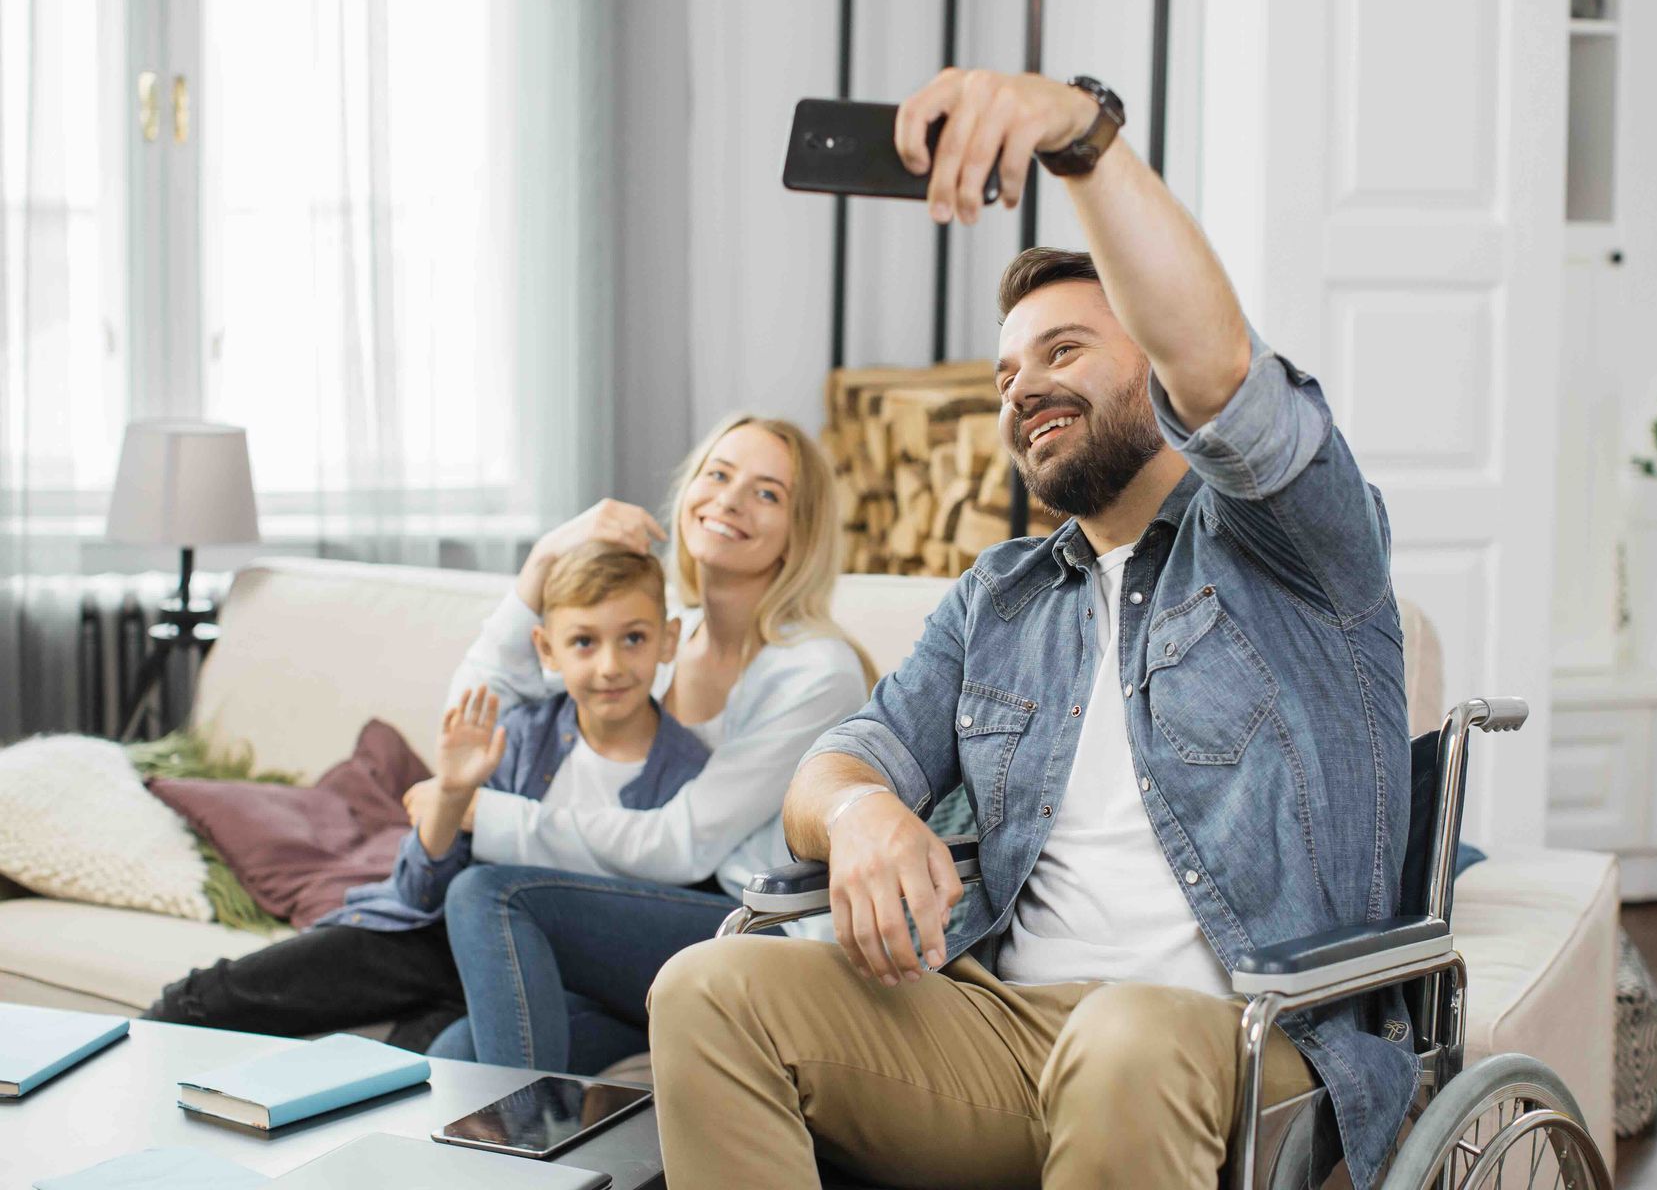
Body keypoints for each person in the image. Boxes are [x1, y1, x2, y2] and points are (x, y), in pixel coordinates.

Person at [645, 69, 1415, 1190]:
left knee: (1126, 1040)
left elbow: (1222, 368)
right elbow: (836, 763)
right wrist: (861, 813)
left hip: (1248, 1039)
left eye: (1063, 351)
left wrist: (1078, 136)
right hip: (1009, 1031)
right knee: (706, 988)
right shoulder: (1000, 592)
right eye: (1008, 371)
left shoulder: (1293, 538)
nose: (1022, 389)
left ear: (1151, 351)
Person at [433, 413, 873, 1072]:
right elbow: (474, 719)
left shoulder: (815, 672)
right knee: (455, 1052)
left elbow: (681, 842)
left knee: (487, 894)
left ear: (798, 534)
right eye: (718, 475)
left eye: (766, 493)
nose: (728, 500)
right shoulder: (663, 638)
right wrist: (544, 559)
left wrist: (495, 817)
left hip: (753, 927)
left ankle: (527, 1168)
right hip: (662, 922)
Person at [145, 541, 709, 1053]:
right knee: (210, 998)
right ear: (547, 650)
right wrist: (454, 794)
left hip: (561, 977)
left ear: (667, 640)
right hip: (442, 942)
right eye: (584, 642)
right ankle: (143, 1065)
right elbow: (418, 894)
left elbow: (644, 924)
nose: (609, 666)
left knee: (427, 1068)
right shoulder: (520, 738)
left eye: (632, 639)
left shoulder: (689, 775)